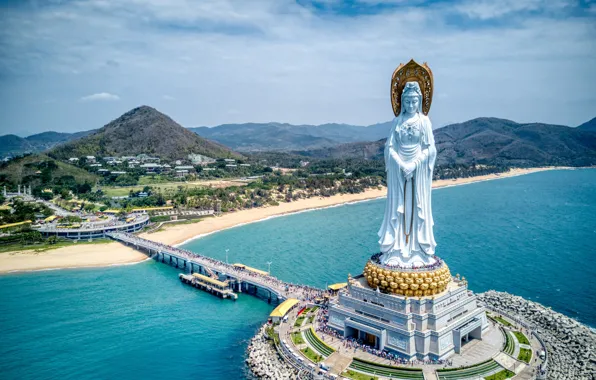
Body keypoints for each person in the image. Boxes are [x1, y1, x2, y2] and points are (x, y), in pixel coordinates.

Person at [378, 81, 437, 267]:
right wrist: (401, 164)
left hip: (418, 172)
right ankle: (395, 250)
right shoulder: (397, 121)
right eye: (407, 102)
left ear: (419, 101)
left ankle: (417, 251)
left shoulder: (424, 122)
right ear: (402, 102)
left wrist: (415, 164)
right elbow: (389, 148)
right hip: (398, 171)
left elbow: (431, 149)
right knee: (398, 208)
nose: (411, 106)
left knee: (416, 208)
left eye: (414, 102)